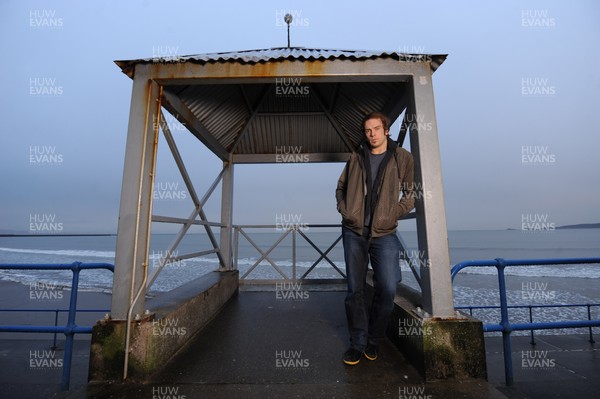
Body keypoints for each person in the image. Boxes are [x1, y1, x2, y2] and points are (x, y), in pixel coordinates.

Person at [335, 111, 415, 365]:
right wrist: (345, 210)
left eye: (376, 129)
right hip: (354, 232)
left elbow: (411, 194)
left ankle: (374, 339)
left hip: (384, 233)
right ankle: (357, 343)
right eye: (368, 130)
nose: (371, 135)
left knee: (389, 287)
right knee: (354, 291)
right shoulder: (356, 157)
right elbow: (340, 188)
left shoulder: (402, 157)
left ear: (386, 130)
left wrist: (393, 214)